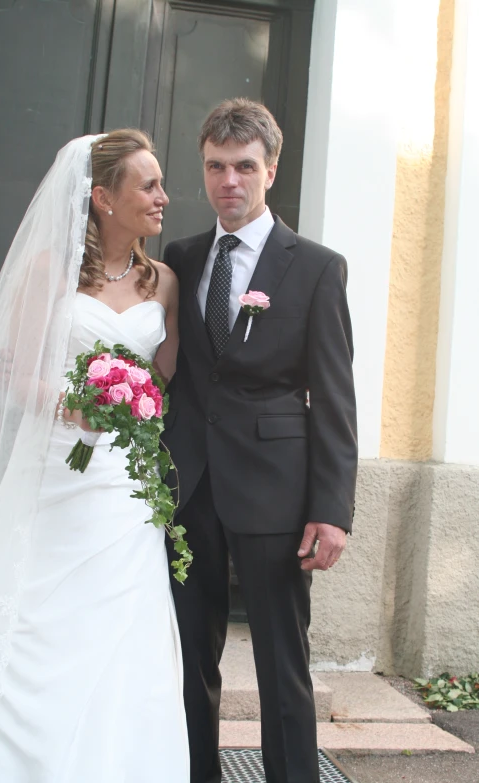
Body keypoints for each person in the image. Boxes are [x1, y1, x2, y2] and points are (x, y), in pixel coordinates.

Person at [0, 130, 189, 782]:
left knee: (122, 625)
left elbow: (166, 380)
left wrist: (142, 399)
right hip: (59, 470)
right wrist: (72, 405)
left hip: (123, 482)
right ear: (102, 199)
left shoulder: (164, 281)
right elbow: (19, 375)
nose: (163, 197)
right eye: (148, 185)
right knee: (41, 619)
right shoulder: (50, 274)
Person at [163, 99, 358, 783]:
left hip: (277, 493)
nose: (229, 182)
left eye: (245, 166)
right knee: (187, 657)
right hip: (188, 488)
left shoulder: (315, 267)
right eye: (216, 166)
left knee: (283, 663)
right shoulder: (181, 258)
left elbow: (335, 398)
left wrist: (331, 508)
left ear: (271, 170)